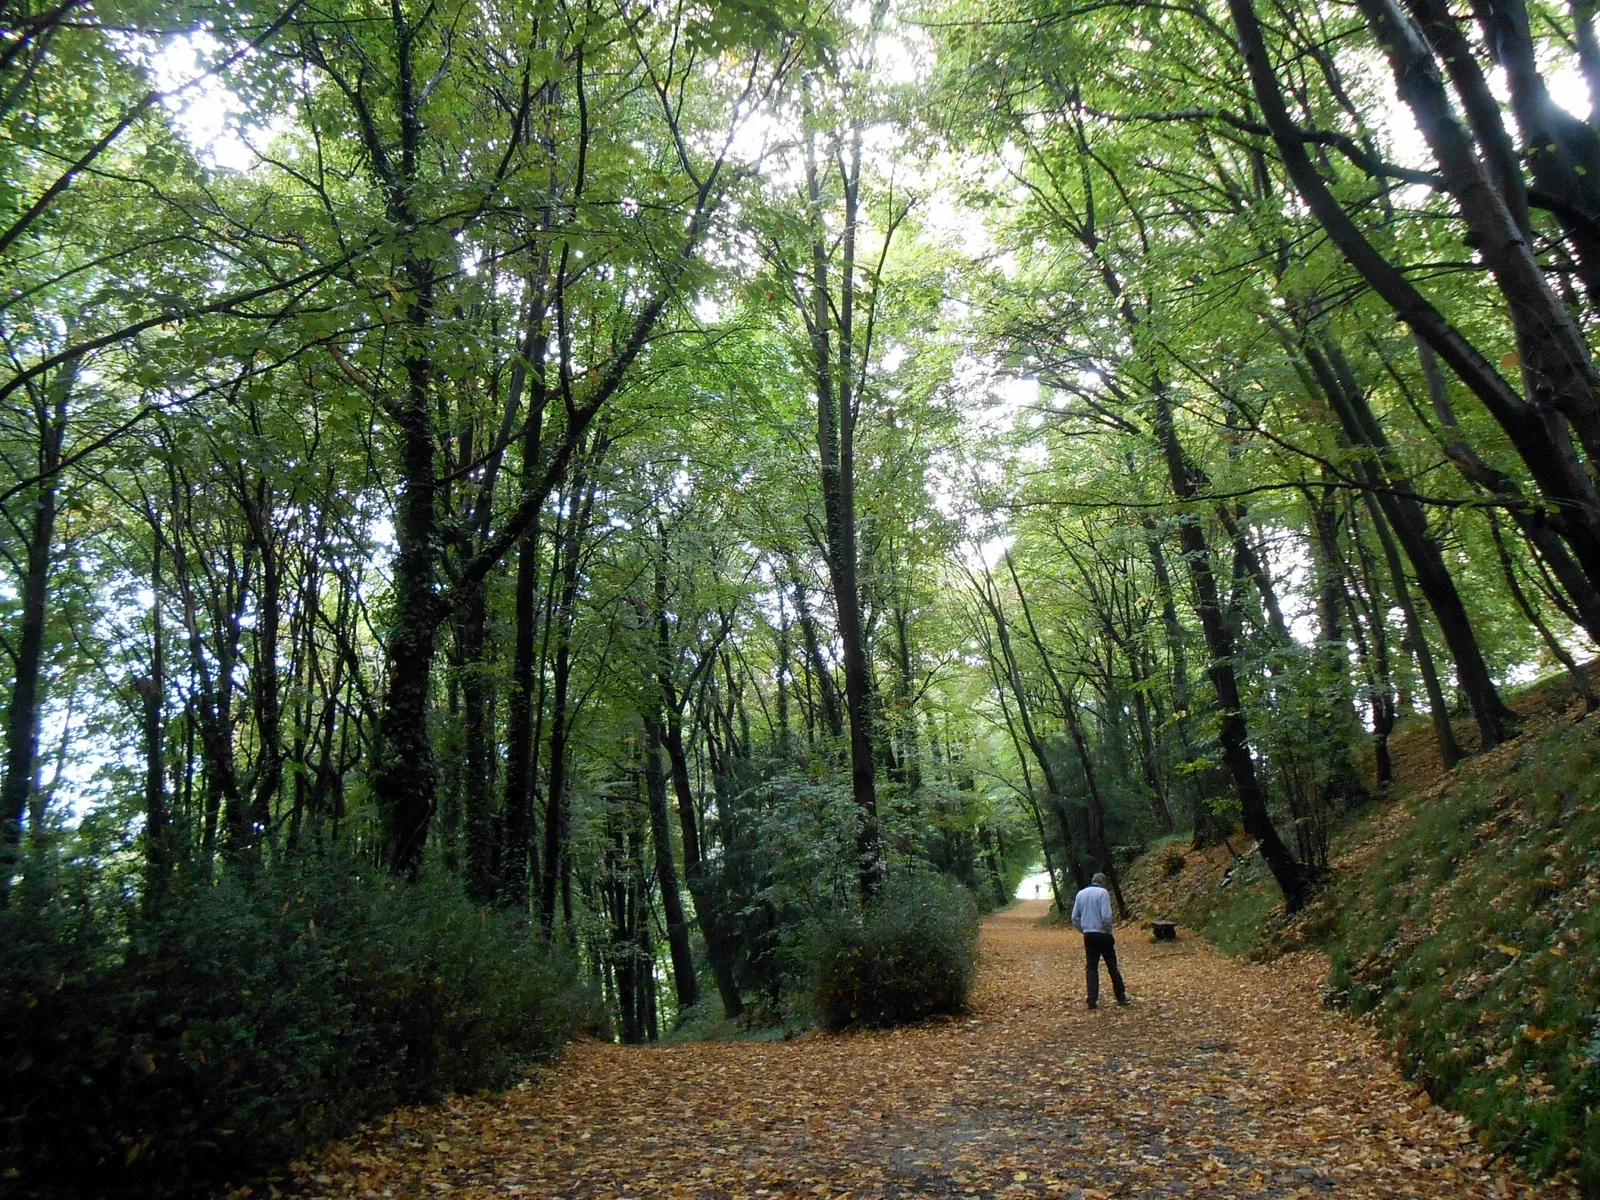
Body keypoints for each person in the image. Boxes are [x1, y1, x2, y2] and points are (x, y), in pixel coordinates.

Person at [1070, 872, 1128, 1009]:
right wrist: (1108, 930)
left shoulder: (1081, 894)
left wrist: (1083, 929)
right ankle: (1121, 997)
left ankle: (1091, 1000)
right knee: (1112, 965)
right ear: (1103, 883)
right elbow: (1106, 916)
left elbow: (1074, 918)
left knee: (1091, 967)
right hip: (1102, 934)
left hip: (1088, 934)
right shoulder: (1103, 893)